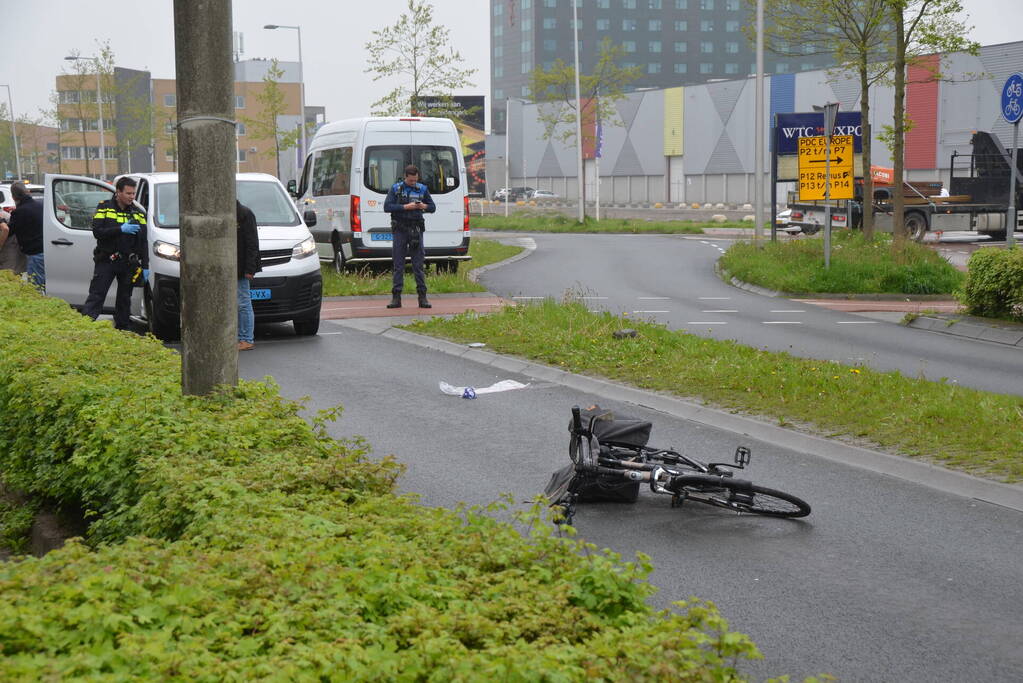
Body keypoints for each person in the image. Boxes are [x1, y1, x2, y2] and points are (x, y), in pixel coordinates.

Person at [82, 176, 148, 330]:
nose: (132, 197)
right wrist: (120, 229)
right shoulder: (104, 207)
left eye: (133, 193)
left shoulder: (138, 212)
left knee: (125, 299)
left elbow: (143, 241)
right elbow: (98, 232)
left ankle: (123, 329)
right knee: (97, 295)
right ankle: (84, 328)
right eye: (128, 193)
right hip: (107, 260)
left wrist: (145, 265)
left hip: (128, 262)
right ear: (118, 192)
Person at [383, 164, 435, 309]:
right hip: (400, 229)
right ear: (405, 177)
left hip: (416, 229)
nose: (413, 182)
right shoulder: (396, 189)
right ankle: (396, 297)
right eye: (411, 180)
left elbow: (432, 207)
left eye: (415, 180)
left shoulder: (422, 189)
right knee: (398, 265)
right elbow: (387, 207)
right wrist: (405, 207)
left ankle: (422, 297)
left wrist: (422, 206)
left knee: (418, 265)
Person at [2, 182, 44, 290]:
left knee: (35, 287)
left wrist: (2, 220)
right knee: (41, 283)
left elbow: (8, 230)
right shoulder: (40, 206)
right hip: (44, 250)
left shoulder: (19, 212)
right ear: (28, 192)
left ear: (13, 197)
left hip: (34, 254)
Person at [236, 199, 261, 351]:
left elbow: (252, 243)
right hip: (233, 266)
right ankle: (241, 337)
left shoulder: (244, 214)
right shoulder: (233, 213)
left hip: (241, 267)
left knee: (243, 302)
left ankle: (246, 339)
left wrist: (250, 269)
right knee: (239, 303)